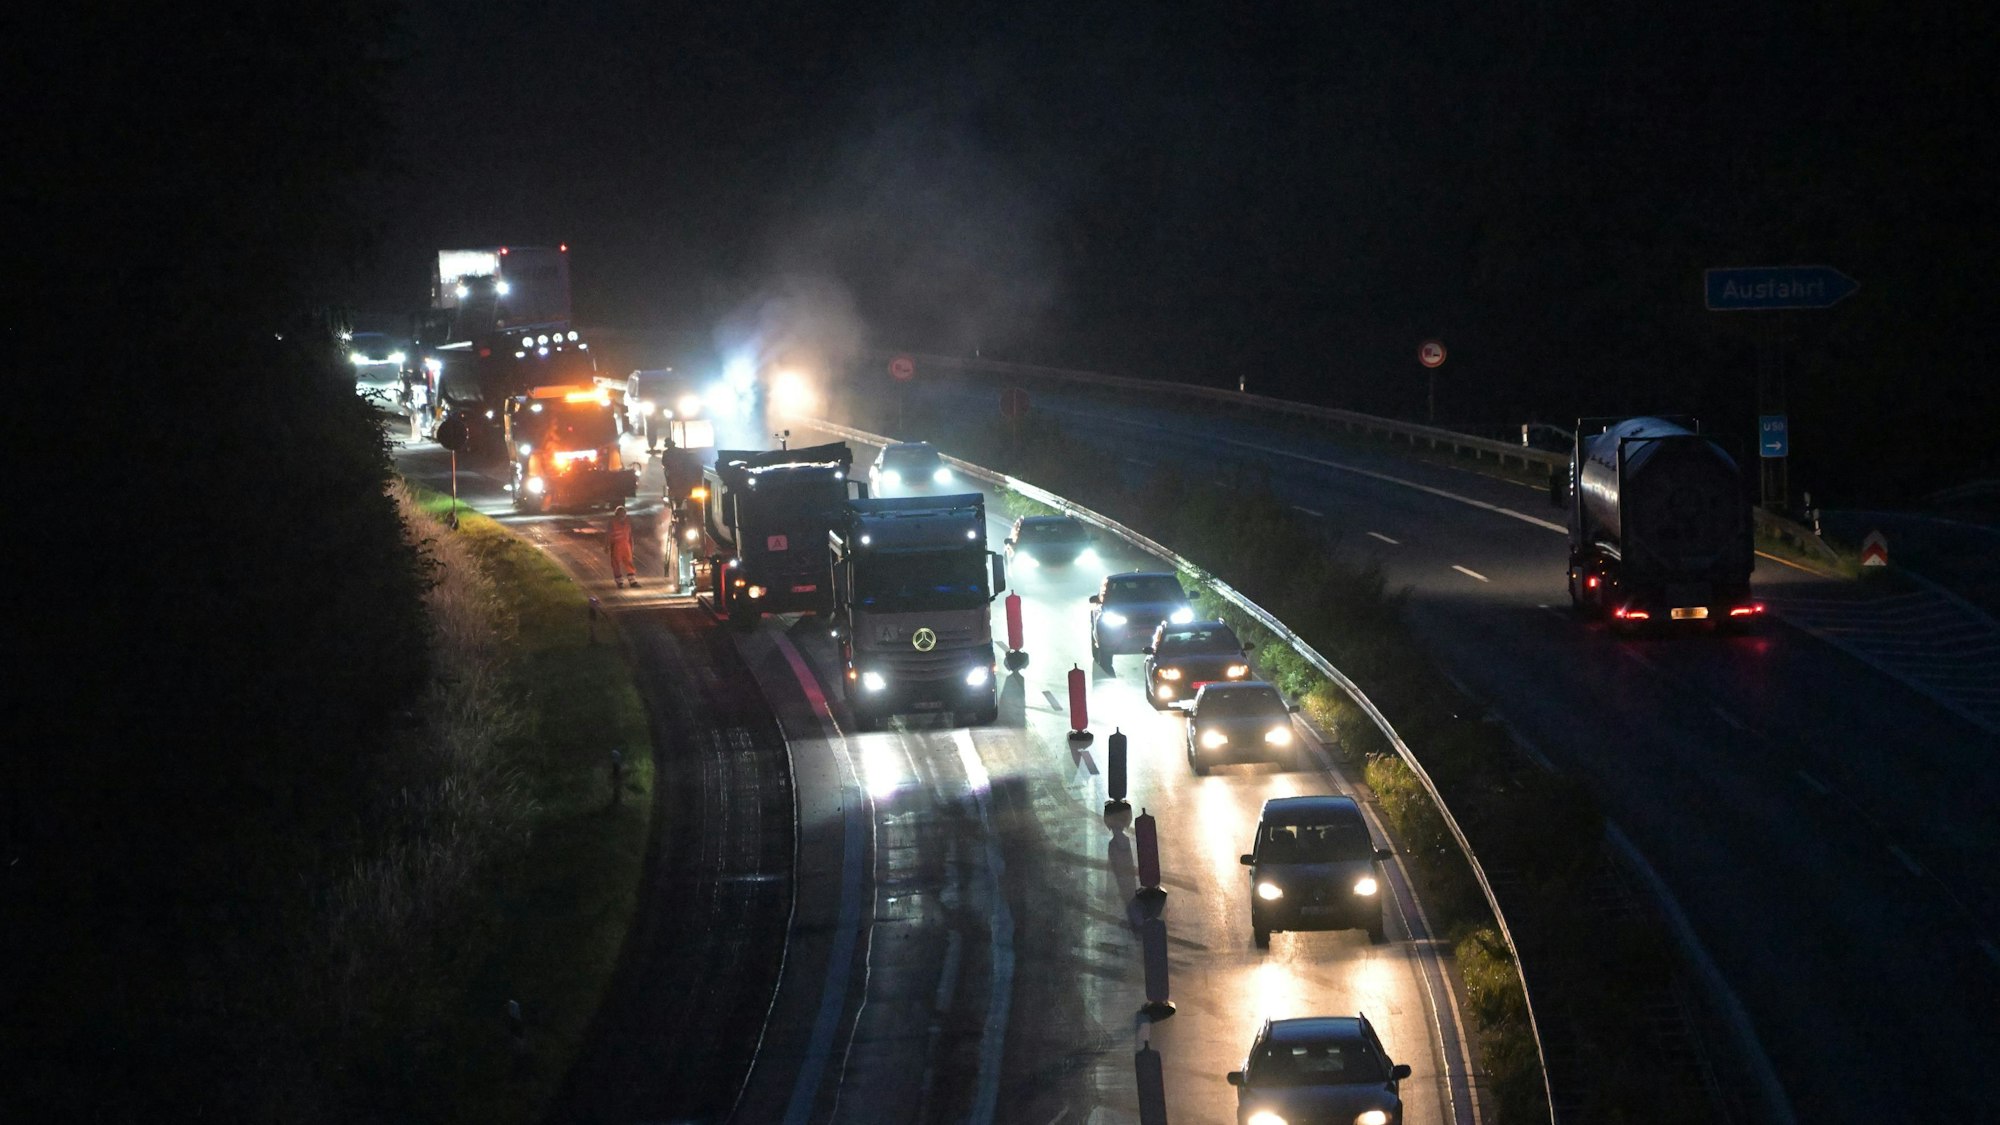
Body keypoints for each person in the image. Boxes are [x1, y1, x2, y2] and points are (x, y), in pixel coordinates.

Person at [607, 503, 637, 588]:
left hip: (625, 546)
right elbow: (608, 535)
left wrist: (632, 546)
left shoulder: (627, 523)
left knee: (629, 562)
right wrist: (607, 545)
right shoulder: (612, 523)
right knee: (616, 564)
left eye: (623, 515)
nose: (622, 517)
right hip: (616, 546)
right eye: (621, 515)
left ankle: (632, 580)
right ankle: (619, 582)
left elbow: (630, 535)